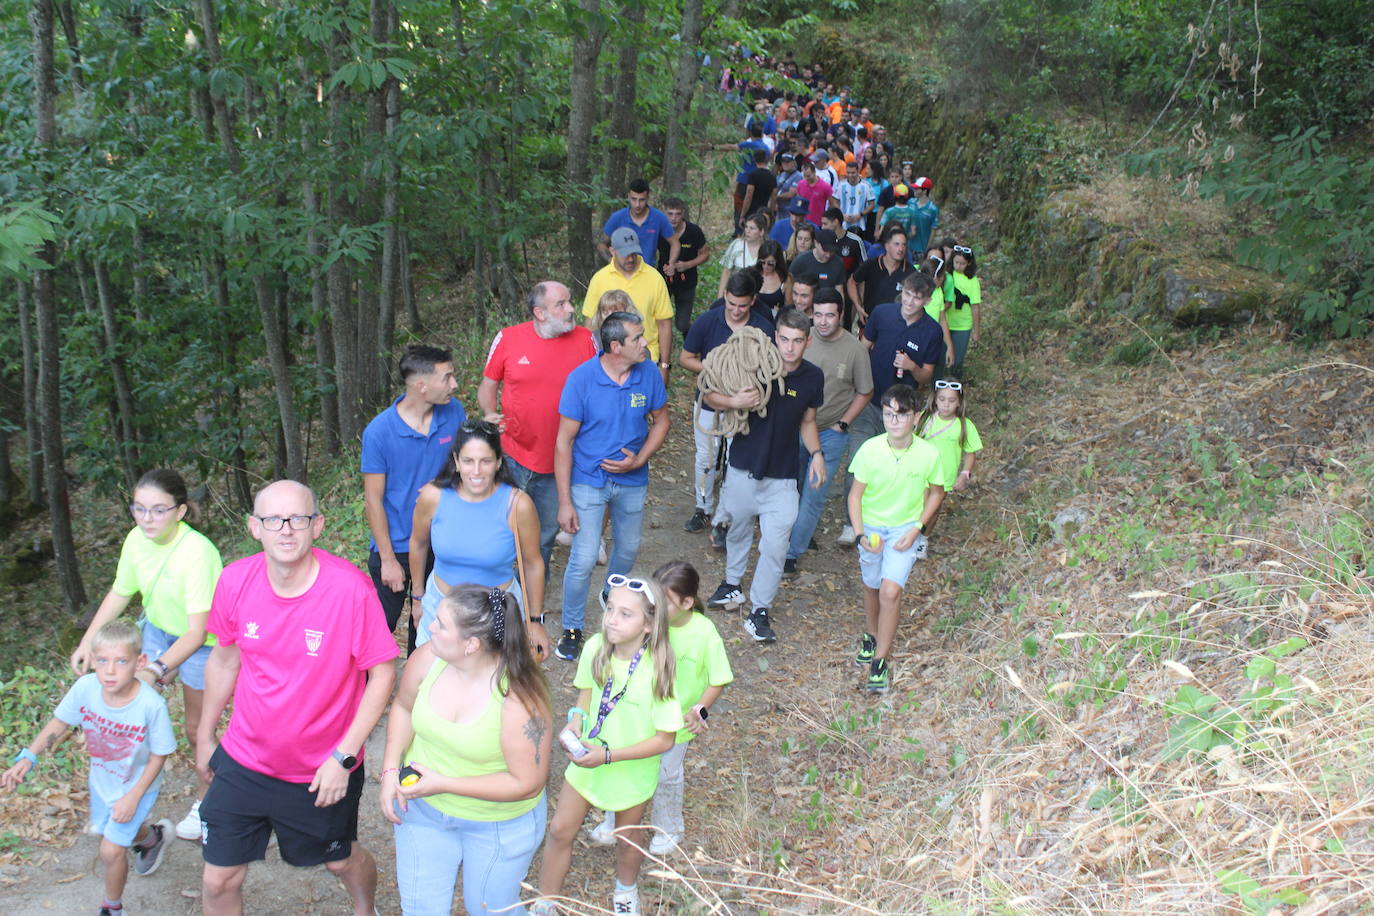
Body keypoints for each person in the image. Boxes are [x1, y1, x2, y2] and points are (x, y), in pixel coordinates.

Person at [196, 480, 399, 916]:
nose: (286, 529)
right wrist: (204, 735)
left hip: (320, 767)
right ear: (255, 527)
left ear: (317, 526)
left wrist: (344, 757)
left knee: (340, 860)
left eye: (298, 519)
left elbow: (382, 673)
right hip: (244, 758)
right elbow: (224, 660)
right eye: (273, 519)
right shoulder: (235, 580)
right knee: (217, 879)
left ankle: (366, 908)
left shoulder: (350, 590)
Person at [380, 585, 552, 916]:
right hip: (423, 811)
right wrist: (390, 769)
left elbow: (526, 783)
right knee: (420, 910)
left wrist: (443, 783)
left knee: (490, 910)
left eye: (442, 624)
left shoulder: (520, 699)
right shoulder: (428, 658)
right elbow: (403, 707)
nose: (430, 626)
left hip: (497, 823)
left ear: (471, 644)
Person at [68, 468, 220, 843]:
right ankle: (131, 814)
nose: (147, 518)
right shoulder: (136, 539)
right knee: (126, 712)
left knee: (197, 729)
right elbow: (120, 592)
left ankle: (209, 805)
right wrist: (88, 641)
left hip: (203, 642)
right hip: (157, 629)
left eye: (158, 510)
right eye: (139, 508)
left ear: (180, 511)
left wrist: (156, 668)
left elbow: (196, 632)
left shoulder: (198, 553)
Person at [531, 574, 682, 916]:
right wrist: (575, 721)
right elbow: (585, 699)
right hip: (589, 762)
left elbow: (665, 739)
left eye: (625, 614)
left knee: (627, 840)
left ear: (649, 624)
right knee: (559, 830)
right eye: (610, 608)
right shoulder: (596, 648)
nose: (612, 619)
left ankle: (626, 891)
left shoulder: (659, 669)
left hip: (631, 770)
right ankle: (545, 901)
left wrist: (610, 755)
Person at [6, 620, 176, 916]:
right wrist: (28, 757)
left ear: (140, 662)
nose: (110, 671)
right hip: (103, 780)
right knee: (112, 832)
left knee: (110, 850)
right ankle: (151, 838)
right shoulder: (86, 688)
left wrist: (134, 796)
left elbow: (159, 755)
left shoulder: (151, 705)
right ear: (93, 660)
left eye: (121, 661)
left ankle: (112, 908)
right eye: (103, 661)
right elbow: (60, 723)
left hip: (138, 785)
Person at [586, 561, 731, 855]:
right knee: (622, 765)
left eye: (666, 603)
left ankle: (668, 827)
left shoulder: (704, 633)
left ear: (687, 603)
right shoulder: (645, 626)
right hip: (634, 716)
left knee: (666, 775)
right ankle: (614, 820)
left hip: (675, 725)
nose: (658, 609)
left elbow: (718, 680)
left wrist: (699, 711)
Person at [554, 313, 671, 661]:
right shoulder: (581, 380)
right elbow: (563, 442)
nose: (645, 342)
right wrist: (565, 501)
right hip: (589, 479)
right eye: (637, 338)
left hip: (632, 479)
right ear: (615, 346)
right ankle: (572, 628)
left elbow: (662, 421)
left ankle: (611, 593)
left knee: (629, 548)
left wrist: (639, 459)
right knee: (584, 556)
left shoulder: (648, 373)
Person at [705, 309, 826, 643]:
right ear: (775, 337)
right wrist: (734, 400)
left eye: (797, 341)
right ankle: (732, 584)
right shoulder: (752, 365)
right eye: (784, 339)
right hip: (743, 467)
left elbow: (808, 421)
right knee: (738, 530)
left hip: (783, 477)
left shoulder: (813, 378)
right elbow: (709, 394)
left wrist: (816, 454)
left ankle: (759, 611)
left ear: (808, 342)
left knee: (775, 545)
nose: (789, 347)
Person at [480, 282, 598, 575]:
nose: (571, 309)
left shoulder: (586, 341)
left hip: (559, 461)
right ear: (540, 313)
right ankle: (498, 591)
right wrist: (490, 414)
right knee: (501, 531)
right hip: (512, 455)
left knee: (543, 536)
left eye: (569, 302)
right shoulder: (508, 338)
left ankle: (532, 594)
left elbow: (601, 391)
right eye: (561, 304)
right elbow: (488, 384)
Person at [408, 421, 551, 659]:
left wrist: (534, 621)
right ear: (456, 461)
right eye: (468, 461)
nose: (476, 471)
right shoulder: (433, 497)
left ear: (498, 462)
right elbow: (418, 543)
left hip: (497, 610)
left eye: (485, 461)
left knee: (493, 678)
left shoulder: (518, 505)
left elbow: (533, 563)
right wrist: (418, 597)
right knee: (433, 677)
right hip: (440, 605)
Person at [363, 345, 467, 653]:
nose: (454, 384)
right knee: (379, 628)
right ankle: (369, 681)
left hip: (440, 542)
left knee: (430, 628)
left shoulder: (454, 412)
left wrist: (443, 484)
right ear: (422, 386)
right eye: (447, 377)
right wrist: (387, 561)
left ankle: (419, 680)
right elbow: (373, 500)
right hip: (395, 547)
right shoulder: (379, 432)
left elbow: (463, 465)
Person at [847, 384, 946, 693]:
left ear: (915, 418)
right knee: (871, 585)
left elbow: (937, 493)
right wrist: (860, 534)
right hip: (872, 527)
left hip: (904, 529)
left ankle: (880, 661)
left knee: (890, 592)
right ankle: (871, 634)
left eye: (902, 415)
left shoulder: (928, 454)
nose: (894, 421)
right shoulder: (870, 449)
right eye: (889, 414)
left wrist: (917, 528)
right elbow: (855, 495)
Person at [836, 271, 945, 547]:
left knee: (892, 468)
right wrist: (851, 382)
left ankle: (889, 522)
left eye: (917, 298)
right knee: (857, 461)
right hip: (869, 402)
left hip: (902, 413)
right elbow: (862, 348)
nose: (909, 301)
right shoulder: (882, 313)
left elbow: (926, 376)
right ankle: (851, 524)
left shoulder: (932, 331)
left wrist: (911, 367)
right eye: (907, 294)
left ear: (927, 300)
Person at [680, 272, 775, 544]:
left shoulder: (763, 328)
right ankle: (703, 507)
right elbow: (686, 358)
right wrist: (716, 369)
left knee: (736, 461)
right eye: (731, 304)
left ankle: (725, 516)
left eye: (742, 305)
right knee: (705, 458)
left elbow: (769, 367)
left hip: (744, 406)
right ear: (725, 297)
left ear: (753, 301)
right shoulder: (708, 321)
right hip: (709, 401)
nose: (735, 310)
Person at [784, 289, 873, 575]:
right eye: (818, 314)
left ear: (841, 315)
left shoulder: (855, 350)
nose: (823, 321)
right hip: (795, 426)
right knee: (792, 486)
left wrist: (844, 423)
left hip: (830, 433)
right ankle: (791, 535)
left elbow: (865, 391)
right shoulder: (802, 340)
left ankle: (791, 553)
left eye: (830, 315)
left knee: (814, 493)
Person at [582, 229, 675, 385]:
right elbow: (590, 323)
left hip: (645, 357)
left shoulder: (655, 278)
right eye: (625, 254)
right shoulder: (599, 279)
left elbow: (664, 324)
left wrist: (665, 366)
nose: (631, 258)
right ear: (612, 251)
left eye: (634, 253)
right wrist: (589, 362)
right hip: (609, 360)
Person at [916, 379, 982, 541]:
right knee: (920, 507)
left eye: (952, 400)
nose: (946, 405)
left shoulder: (964, 425)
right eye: (942, 399)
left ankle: (923, 539)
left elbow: (970, 452)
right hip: (920, 473)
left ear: (959, 403)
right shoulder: (924, 419)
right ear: (935, 399)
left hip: (944, 477)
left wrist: (964, 474)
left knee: (933, 510)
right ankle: (912, 536)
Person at [658, 198, 710, 338]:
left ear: (683, 213)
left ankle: (692, 340)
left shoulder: (693, 231)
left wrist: (688, 264)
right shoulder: (659, 230)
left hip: (686, 282)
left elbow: (705, 254)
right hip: (663, 281)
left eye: (677, 214)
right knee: (658, 318)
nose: (673, 218)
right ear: (664, 213)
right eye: (670, 214)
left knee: (682, 324)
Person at [601, 178, 679, 268]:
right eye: (634, 199)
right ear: (628, 196)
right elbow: (601, 245)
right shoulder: (617, 218)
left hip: (647, 271)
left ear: (648, 197)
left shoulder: (659, 218)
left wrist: (671, 263)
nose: (637, 204)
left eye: (642, 200)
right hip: (622, 270)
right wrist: (611, 260)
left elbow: (675, 243)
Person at [851, 224, 910, 326]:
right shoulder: (871, 265)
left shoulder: (911, 272)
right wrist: (858, 305)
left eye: (904, 245)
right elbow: (852, 282)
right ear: (886, 246)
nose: (901, 249)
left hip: (896, 326)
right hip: (869, 324)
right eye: (896, 244)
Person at [947, 245, 982, 375]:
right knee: (942, 357)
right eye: (956, 262)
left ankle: (955, 381)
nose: (958, 266)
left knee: (957, 361)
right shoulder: (947, 275)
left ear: (969, 263)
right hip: (945, 322)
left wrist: (976, 332)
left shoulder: (973, 281)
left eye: (962, 264)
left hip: (963, 325)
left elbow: (975, 307)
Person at [717, 211, 767, 300]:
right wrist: (720, 296)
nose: (747, 231)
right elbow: (726, 271)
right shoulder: (737, 245)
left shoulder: (767, 249)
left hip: (759, 295)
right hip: (737, 292)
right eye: (746, 227)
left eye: (752, 228)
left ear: (761, 231)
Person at [737, 149, 776, 232]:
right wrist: (771, 215)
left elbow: (748, 196)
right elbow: (774, 198)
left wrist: (742, 215)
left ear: (755, 160)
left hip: (752, 212)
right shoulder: (772, 177)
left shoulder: (753, 175)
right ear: (766, 160)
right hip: (764, 212)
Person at [835, 166, 875, 240]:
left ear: (858, 172)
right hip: (843, 224)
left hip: (860, 224)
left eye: (853, 173)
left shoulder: (866, 185)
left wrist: (861, 214)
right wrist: (842, 215)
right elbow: (834, 202)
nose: (850, 175)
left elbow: (872, 204)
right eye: (848, 173)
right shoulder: (841, 185)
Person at [754, 241, 788, 321]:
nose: (765, 266)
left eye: (770, 264)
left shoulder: (785, 279)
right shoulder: (753, 273)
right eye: (762, 262)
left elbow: (788, 308)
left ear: (777, 261)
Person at [794, 159, 833, 227]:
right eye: (804, 176)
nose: (806, 178)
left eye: (808, 176)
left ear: (814, 172)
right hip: (803, 222)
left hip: (818, 223)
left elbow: (832, 204)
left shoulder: (825, 186)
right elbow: (798, 202)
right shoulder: (800, 184)